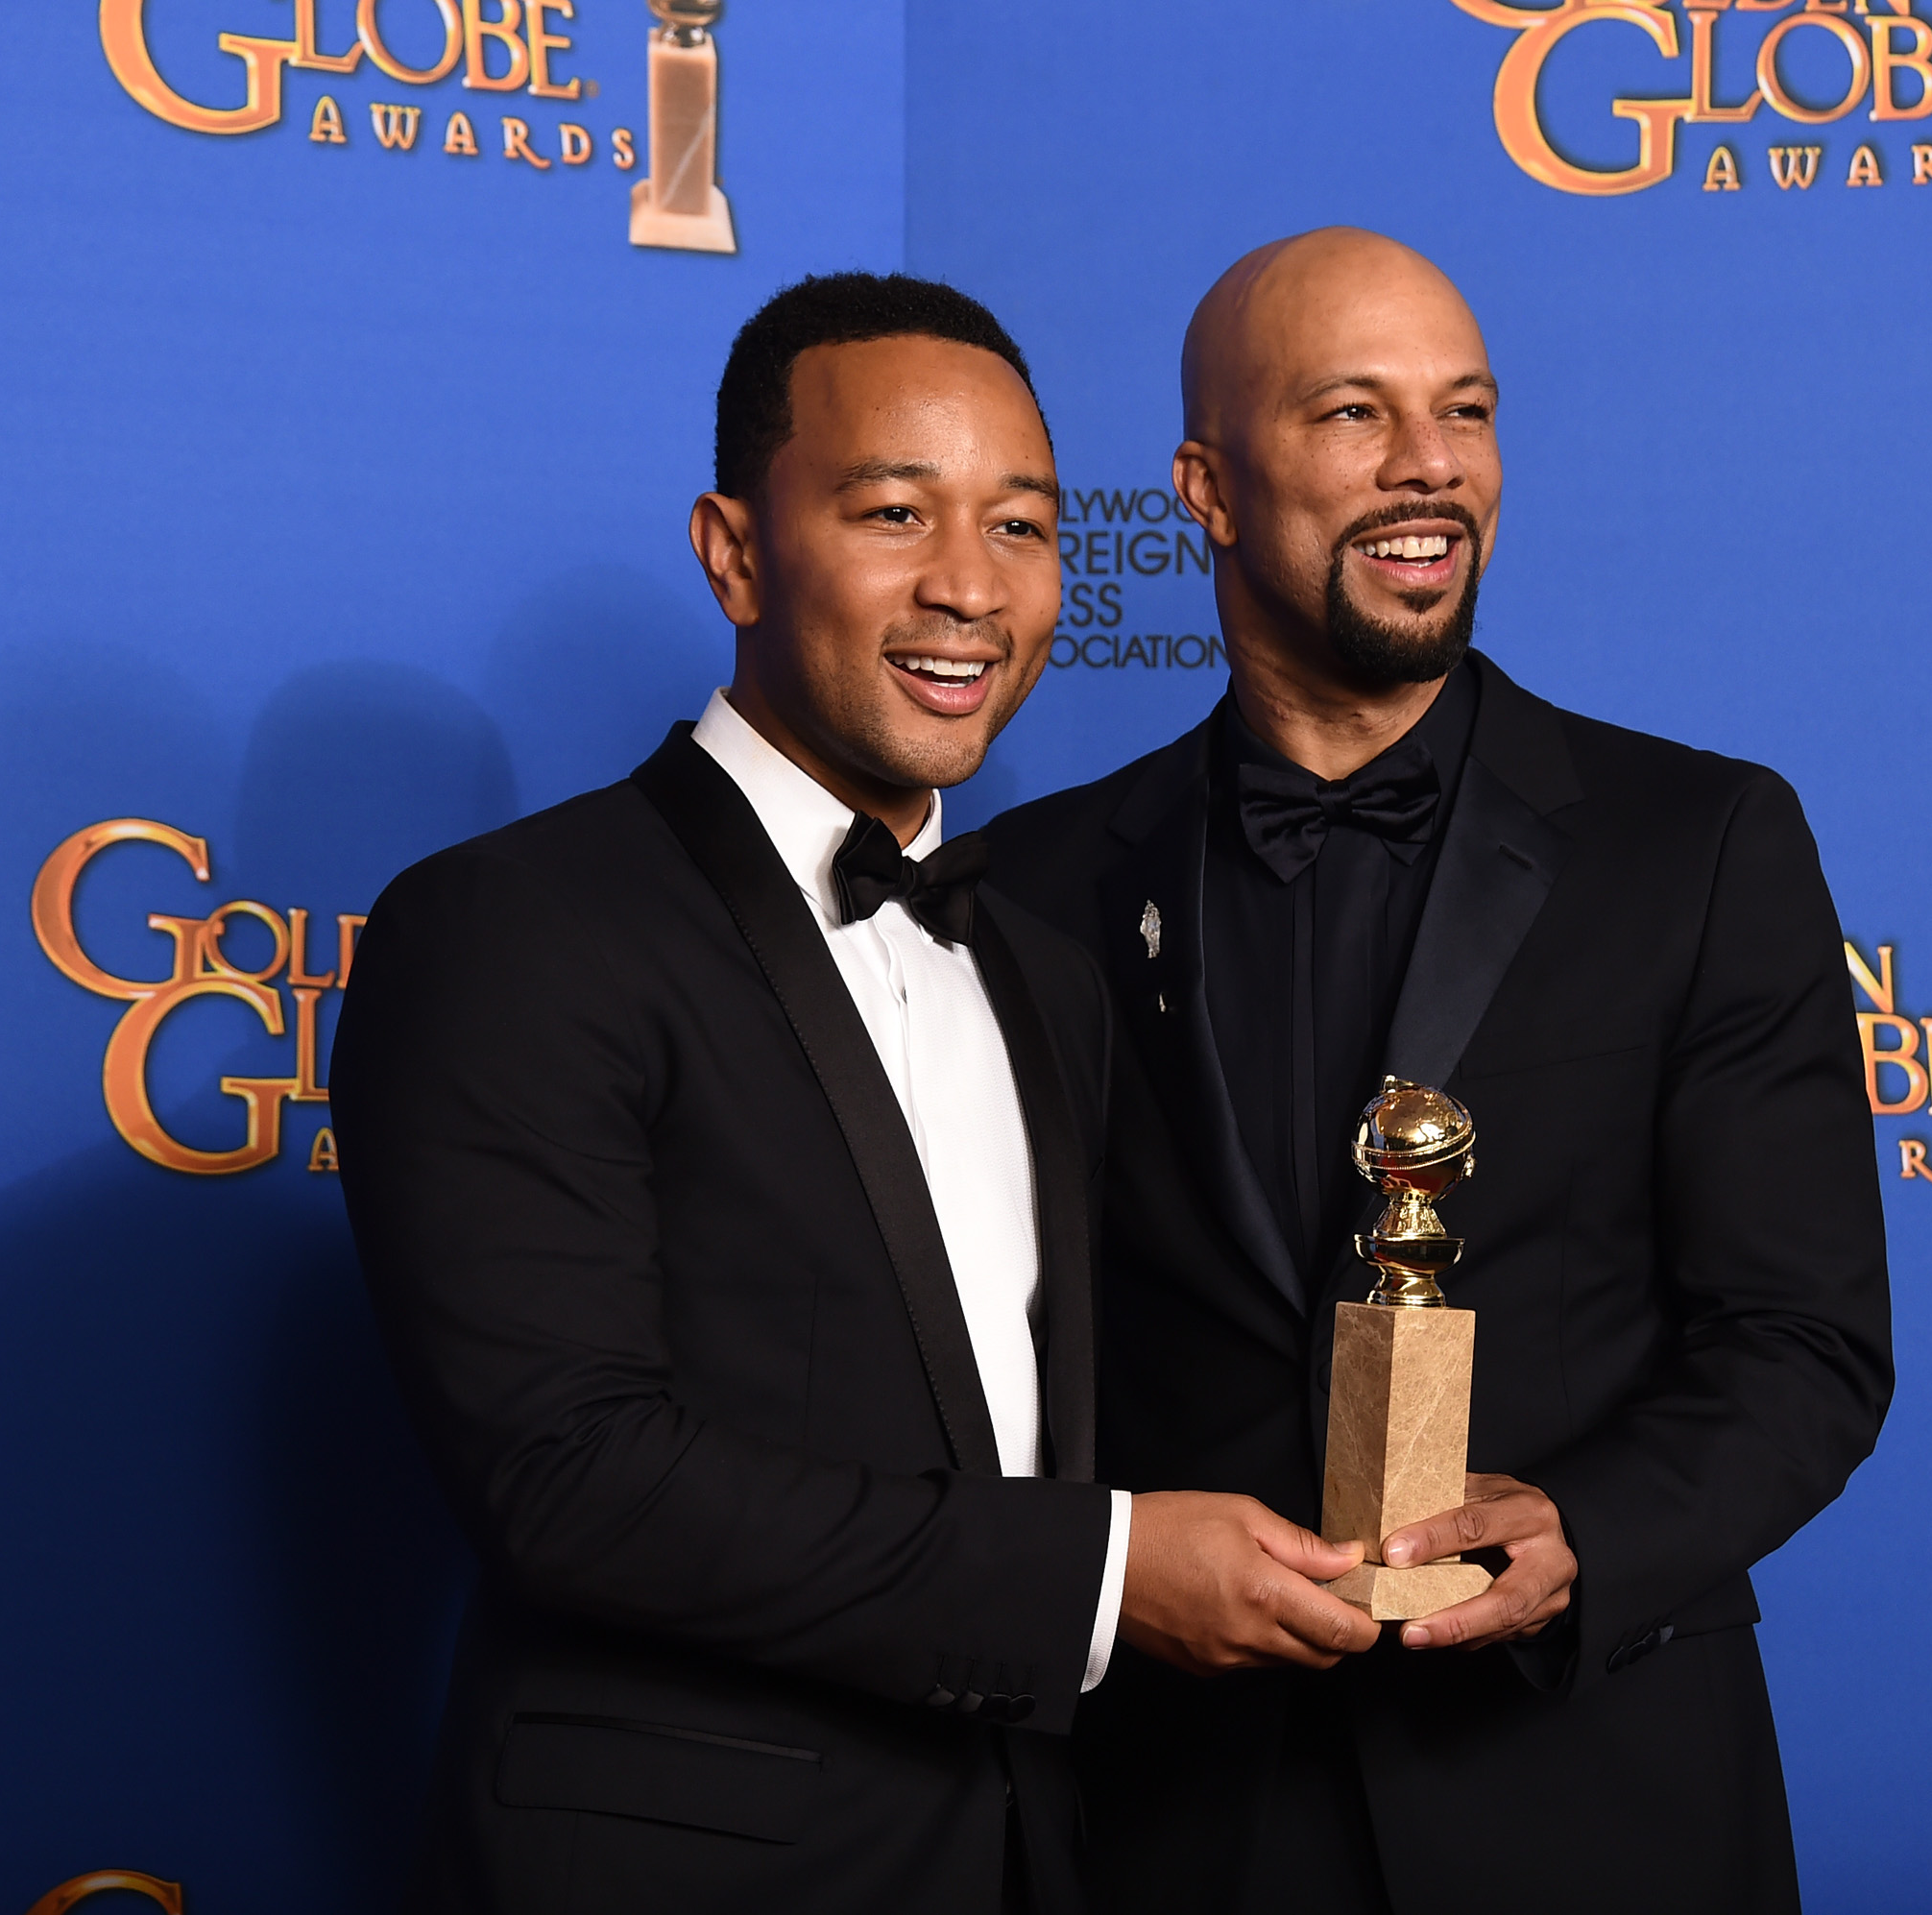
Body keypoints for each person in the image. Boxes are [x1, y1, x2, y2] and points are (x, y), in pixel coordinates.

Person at [332, 273, 1376, 1915]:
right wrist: (1107, 1575)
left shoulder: (1049, 973)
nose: (970, 587)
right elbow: (571, 1476)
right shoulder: (514, 928)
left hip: (1029, 1856)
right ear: (736, 549)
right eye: (896, 512)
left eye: (1022, 528)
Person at [983, 230, 1896, 1913]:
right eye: (1353, 412)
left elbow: (1808, 1342)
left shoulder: (1698, 845)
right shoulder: (1030, 891)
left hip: (1592, 1795)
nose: (1429, 466)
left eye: (1463, 412)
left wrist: (1587, 1535)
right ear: (1207, 484)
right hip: (1181, 1811)